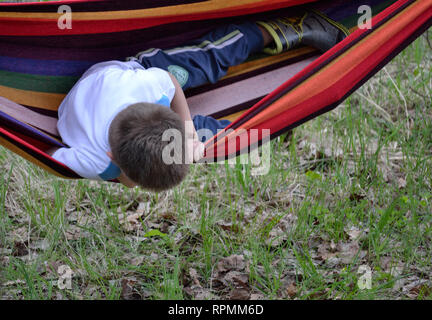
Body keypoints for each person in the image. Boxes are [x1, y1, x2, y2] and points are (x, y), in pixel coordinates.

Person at [49, 10, 348, 190]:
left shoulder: (147, 86)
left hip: (126, 70)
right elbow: (57, 158)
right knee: (227, 137)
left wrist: (189, 131)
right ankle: (282, 105)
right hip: (111, 107)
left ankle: (279, 29)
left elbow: (169, 81)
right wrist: (193, 145)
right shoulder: (95, 160)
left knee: (209, 59)